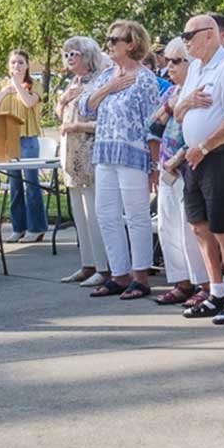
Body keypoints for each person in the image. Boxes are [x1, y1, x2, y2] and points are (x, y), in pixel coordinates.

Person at [176, 13, 224, 325]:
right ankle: (216, 291)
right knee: (199, 225)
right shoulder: (195, 68)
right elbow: (178, 110)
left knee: (223, 228)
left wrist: (204, 146)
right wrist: (188, 102)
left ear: (210, 34)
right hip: (197, 158)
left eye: (189, 35)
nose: (185, 41)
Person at [84, 20, 163, 299]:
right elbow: (86, 105)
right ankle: (119, 274)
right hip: (105, 153)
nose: (109, 43)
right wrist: (111, 87)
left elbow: (154, 125)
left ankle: (140, 276)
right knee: (106, 214)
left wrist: (154, 166)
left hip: (133, 155)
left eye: (115, 39)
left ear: (131, 44)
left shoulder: (145, 79)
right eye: (108, 38)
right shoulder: (107, 76)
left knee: (136, 215)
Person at [152, 38, 209, 306]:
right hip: (166, 168)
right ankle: (181, 282)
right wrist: (169, 106)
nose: (169, 66)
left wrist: (177, 158)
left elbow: (201, 129)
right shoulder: (171, 93)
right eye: (167, 60)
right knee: (167, 227)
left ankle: (205, 283)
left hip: (189, 166)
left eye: (177, 61)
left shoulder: (200, 91)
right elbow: (152, 127)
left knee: (190, 229)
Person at [56, 37, 111, 286]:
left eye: (74, 54)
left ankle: (104, 266)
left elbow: (104, 119)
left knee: (93, 212)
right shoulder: (72, 82)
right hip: (71, 153)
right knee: (79, 213)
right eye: (66, 54)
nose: (69, 59)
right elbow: (61, 113)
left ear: (87, 56)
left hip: (89, 153)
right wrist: (61, 101)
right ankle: (87, 263)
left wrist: (78, 125)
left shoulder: (99, 81)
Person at [0, 50, 46, 243]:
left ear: (27, 65)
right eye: (13, 63)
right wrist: (6, 90)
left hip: (28, 139)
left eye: (20, 63)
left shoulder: (34, 84)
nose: (16, 66)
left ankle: (36, 227)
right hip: (9, 140)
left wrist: (18, 86)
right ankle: (18, 227)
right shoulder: (1, 85)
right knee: (15, 185)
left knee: (31, 184)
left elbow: (29, 102)